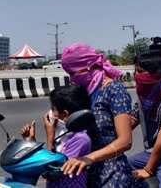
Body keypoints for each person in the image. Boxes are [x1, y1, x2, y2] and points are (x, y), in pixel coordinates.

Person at [60, 43, 142, 187]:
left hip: (111, 172)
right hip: (86, 169)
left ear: (88, 66)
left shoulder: (114, 91)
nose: (71, 79)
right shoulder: (85, 91)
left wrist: (89, 158)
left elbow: (125, 141)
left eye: (73, 73)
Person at [21, 85, 92, 188]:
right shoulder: (63, 135)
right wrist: (31, 140)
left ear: (64, 115)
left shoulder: (80, 139)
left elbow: (52, 173)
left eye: (53, 109)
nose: (49, 113)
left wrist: (50, 136)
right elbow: (44, 167)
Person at [128, 51, 161, 188]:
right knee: (120, 168)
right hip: (148, 153)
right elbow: (132, 121)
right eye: (135, 71)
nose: (137, 75)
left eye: (140, 71)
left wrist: (148, 170)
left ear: (157, 73)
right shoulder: (143, 97)